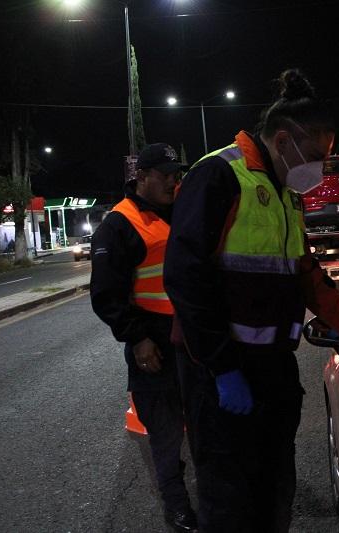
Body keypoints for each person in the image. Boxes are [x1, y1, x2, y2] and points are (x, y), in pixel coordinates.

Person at [163, 69, 339, 533]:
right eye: (316, 156)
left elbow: (310, 280)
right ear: (282, 140)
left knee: (274, 496)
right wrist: (222, 368)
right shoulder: (219, 176)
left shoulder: (287, 198)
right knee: (229, 505)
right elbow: (185, 277)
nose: (319, 169)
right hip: (218, 375)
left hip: (271, 371)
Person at [90, 143, 197, 532]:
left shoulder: (181, 211)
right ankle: (177, 505)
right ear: (142, 177)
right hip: (154, 342)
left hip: (193, 339)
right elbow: (105, 294)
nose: (173, 180)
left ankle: (212, 494)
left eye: (176, 174)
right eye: (166, 174)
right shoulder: (119, 224)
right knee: (166, 435)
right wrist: (137, 339)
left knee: (202, 422)